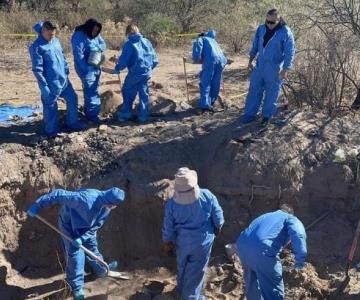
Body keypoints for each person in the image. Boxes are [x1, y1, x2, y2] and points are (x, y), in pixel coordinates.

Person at [27, 188, 125, 300]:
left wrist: (83, 238)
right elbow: (59, 194)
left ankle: (102, 270)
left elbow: (97, 225)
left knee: (93, 248)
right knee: (75, 256)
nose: (113, 207)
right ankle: (76, 288)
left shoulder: (107, 208)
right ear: (109, 202)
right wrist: (38, 204)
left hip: (87, 230)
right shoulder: (84, 199)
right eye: (113, 205)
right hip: (69, 227)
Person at [162, 167, 224, 299]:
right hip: (203, 241)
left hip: (182, 242)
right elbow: (218, 217)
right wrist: (218, 227)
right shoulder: (207, 195)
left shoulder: (172, 204)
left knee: (182, 267)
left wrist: (167, 242)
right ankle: (191, 297)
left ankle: (182, 290)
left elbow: (168, 226)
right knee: (196, 271)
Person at [236, 204, 307, 300]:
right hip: (262, 251)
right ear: (291, 213)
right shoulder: (289, 218)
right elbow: (298, 234)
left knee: (252, 283)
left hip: (242, 246)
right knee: (273, 290)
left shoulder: (265, 216)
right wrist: (300, 259)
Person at [29, 21, 86, 137]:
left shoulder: (56, 41)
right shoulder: (36, 46)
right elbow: (37, 70)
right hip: (50, 83)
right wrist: (44, 87)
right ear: (43, 31)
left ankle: (72, 122)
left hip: (64, 79)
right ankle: (51, 130)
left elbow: (62, 56)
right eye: (50, 34)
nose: (52, 36)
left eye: (54, 34)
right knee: (51, 106)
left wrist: (66, 68)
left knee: (72, 98)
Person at [240, 9, 296, 127]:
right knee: (254, 89)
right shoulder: (261, 29)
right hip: (260, 66)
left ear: (279, 19)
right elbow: (255, 45)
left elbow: (290, 52)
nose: (269, 24)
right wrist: (250, 60)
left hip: (275, 68)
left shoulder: (286, 32)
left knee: (272, 92)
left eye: (272, 22)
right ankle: (249, 114)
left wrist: (285, 69)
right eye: (267, 21)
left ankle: (266, 116)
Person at [102, 24, 158, 123]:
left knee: (127, 91)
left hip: (135, 74)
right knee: (143, 94)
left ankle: (126, 113)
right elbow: (155, 60)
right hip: (146, 73)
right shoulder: (146, 41)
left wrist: (117, 68)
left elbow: (124, 61)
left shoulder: (129, 44)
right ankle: (143, 116)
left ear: (128, 33)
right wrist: (148, 69)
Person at [71, 19, 106, 124]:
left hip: (96, 65)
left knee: (94, 88)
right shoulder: (78, 36)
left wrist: (96, 48)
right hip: (85, 68)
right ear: (89, 27)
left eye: (97, 31)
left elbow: (103, 44)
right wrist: (87, 68)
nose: (95, 33)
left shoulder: (95, 35)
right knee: (90, 90)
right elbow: (78, 55)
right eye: (94, 31)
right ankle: (92, 115)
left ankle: (90, 111)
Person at [191, 30, 228, 113]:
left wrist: (195, 59)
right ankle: (212, 102)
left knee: (205, 82)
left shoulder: (201, 39)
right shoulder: (213, 41)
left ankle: (204, 106)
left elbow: (197, 51)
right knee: (216, 82)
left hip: (211, 60)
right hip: (221, 61)